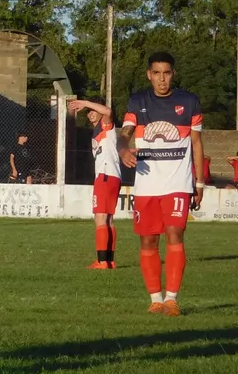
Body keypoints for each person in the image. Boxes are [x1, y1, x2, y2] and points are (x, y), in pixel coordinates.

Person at [119, 51, 203, 316]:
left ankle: (172, 299)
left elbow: (197, 144)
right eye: (156, 73)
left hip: (178, 182)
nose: (162, 79)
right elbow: (124, 135)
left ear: (173, 74)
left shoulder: (189, 102)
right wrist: (123, 150)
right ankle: (155, 299)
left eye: (166, 73)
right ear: (149, 75)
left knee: (175, 234)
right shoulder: (137, 101)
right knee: (148, 241)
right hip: (146, 184)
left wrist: (198, 183)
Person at [69, 99, 121, 269]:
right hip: (111, 176)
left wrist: (85, 102)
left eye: (93, 110)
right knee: (108, 219)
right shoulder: (98, 131)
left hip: (105, 176)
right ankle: (109, 260)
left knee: (100, 217)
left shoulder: (106, 124)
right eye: (89, 112)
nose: (90, 113)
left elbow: (107, 111)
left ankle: (101, 261)